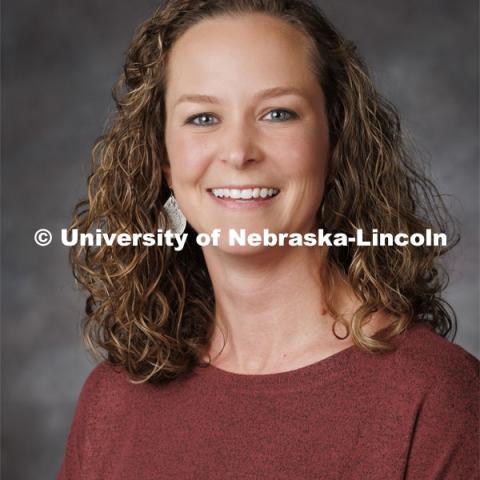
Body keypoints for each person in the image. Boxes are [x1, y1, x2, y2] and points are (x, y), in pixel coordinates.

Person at [57, 0, 479, 478]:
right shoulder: (112, 398)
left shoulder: (436, 397)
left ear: (335, 138)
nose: (238, 152)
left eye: (278, 114)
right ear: (164, 159)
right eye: (202, 117)